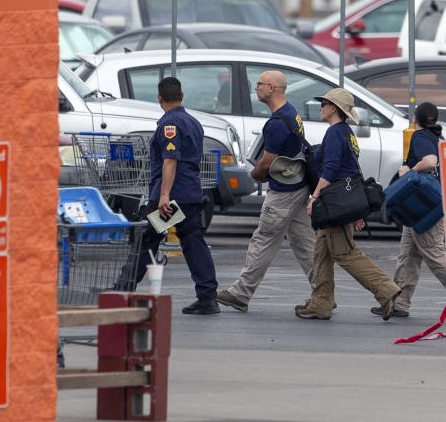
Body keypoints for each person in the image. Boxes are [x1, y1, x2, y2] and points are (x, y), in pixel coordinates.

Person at [295, 88, 401, 320]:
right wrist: (356, 210)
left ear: (334, 109)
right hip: (343, 202)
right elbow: (352, 169)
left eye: (324, 103)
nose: (321, 107)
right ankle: (321, 303)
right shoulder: (346, 133)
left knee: (345, 254)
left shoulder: (334, 133)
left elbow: (332, 168)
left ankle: (386, 290)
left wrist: (314, 196)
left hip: (334, 203)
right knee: (321, 253)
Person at [215, 70, 316, 312]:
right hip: (298, 186)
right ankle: (323, 292)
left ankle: (241, 293)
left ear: (271, 88)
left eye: (260, 84)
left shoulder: (277, 123)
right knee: (304, 243)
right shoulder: (290, 112)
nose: (256, 88)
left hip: (283, 192)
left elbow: (268, 161)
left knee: (263, 239)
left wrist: (256, 174)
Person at [134, 76, 220, 315]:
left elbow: (170, 161)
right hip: (191, 193)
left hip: (171, 199)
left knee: (147, 241)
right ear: (182, 96)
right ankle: (208, 296)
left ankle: (123, 287)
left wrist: (163, 196)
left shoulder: (169, 125)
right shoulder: (194, 122)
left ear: (159, 98)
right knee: (193, 242)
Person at [371, 102, 446, 318]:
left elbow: (430, 162)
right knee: (408, 255)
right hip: (420, 207)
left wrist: (409, 171)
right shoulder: (437, 138)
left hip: (424, 209)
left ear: (416, 118)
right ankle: (399, 303)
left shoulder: (421, 137)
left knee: (434, 255)